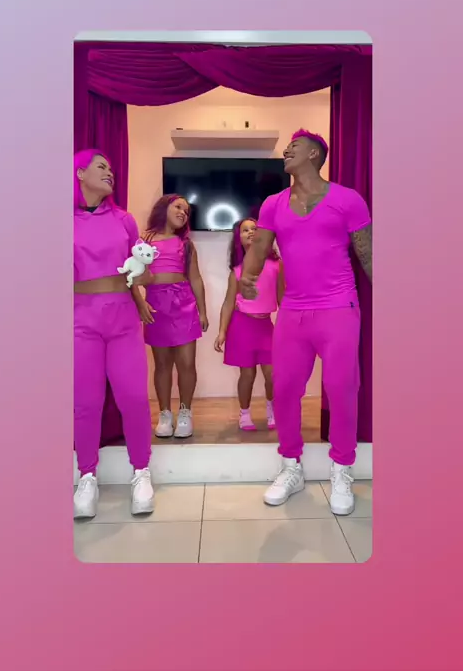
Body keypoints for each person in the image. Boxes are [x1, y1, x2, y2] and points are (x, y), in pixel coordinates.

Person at [240, 129, 372, 516]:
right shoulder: (273, 204)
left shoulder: (348, 200)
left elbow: (368, 254)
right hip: (293, 312)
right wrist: (249, 276)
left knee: (341, 388)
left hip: (338, 307)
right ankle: (291, 466)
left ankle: (342, 469)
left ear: (315, 154)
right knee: (284, 390)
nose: (287, 150)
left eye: (294, 146)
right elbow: (260, 246)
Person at [73, 150, 154, 519]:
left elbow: (141, 275)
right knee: (85, 403)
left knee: (134, 398)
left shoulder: (124, 220)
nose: (110, 172)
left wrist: (144, 274)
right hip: (80, 322)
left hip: (123, 321)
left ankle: (141, 471)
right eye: (101, 167)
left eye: (111, 167)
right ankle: (87, 476)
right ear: (80, 173)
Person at [138, 194, 208, 439]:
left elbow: (195, 278)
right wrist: (140, 303)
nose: (182, 213)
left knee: (187, 363)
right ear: (163, 208)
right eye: (178, 207)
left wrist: (202, 311)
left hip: (184, 304)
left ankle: (185, 412)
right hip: (156, 306)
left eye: (186, 211)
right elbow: (134, 275)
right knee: (162, 364)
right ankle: (165, 414)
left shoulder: (186, 244)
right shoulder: (144, 240)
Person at [214, 218, 284, 431]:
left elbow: (282, 299)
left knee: (272, 373)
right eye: (245, 230)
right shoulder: (236, 271)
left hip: (265, 326)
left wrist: (288, 327)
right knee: (247, 374)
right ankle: (244, 413)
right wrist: (222, 332)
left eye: (254, 228)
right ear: (239, 238)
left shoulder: (276, 265)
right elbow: (228, 303)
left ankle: (273, 409)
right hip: (242, 326)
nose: (251, 232)